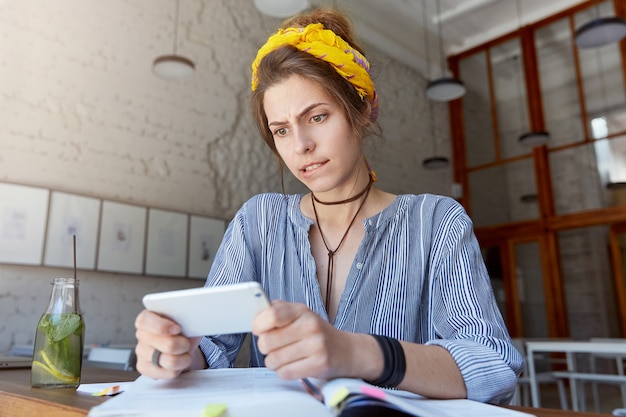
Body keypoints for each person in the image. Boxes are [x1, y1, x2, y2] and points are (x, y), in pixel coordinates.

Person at [134, 7, 523, 404]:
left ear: (365, 109)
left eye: (317, 116)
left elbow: (492, 366)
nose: (300, 144)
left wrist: (356, 352)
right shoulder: (258, 222)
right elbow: (210, 350)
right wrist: (173, 353)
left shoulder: (436, 222)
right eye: (281, 130)